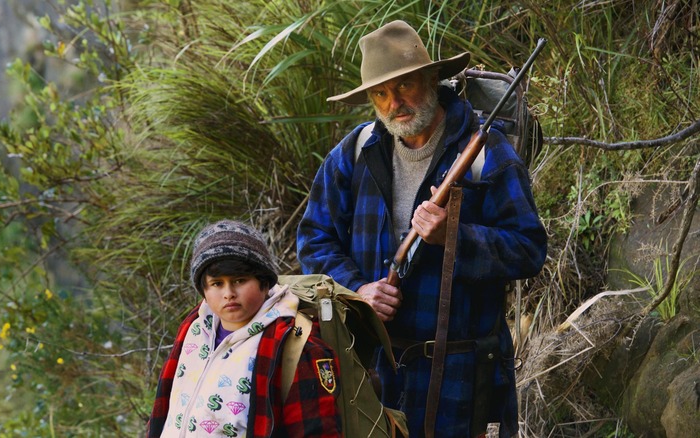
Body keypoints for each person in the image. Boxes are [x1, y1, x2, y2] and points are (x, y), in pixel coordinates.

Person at [297, 20, 547, 437]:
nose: (394, 102)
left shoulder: (487, 152)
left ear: (432, 79)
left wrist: (456, 237)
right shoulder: (355, 152)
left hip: (461, 374)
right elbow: (314, 238)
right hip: (375, 368)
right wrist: (357, 291)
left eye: (405, 85)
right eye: (381, 93)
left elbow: (529, 249)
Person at [147, 220, 342, 437]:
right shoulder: (194, 328)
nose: (228, 293)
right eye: (217, 283)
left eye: (239, 280)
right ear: (203, 290)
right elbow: (166, 410)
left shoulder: (293, 344)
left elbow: (316, 430)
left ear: (265, 282)